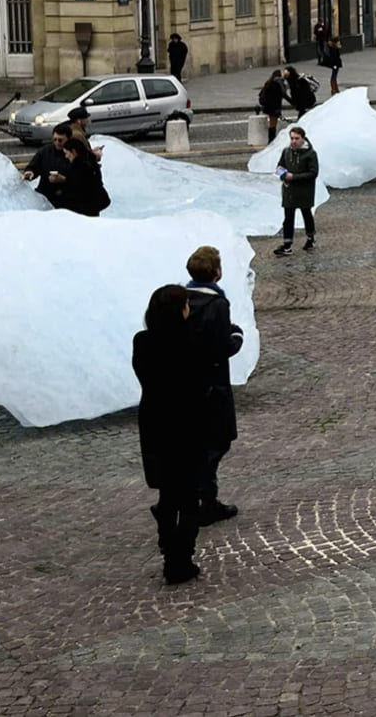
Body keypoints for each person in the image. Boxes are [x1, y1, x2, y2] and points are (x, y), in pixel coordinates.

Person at [133, 283, 209, 584]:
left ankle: (168, 546)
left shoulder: (143, 342)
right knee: (189, 495)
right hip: (187, 424)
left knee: (168, 491)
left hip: (155, 421)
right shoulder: (191, 341)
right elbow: (201, 382)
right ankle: (182, 557)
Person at [182, 246, 244, 527]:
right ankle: (206, 500)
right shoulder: (217, 304)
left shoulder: (183, 299)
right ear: (217, 273)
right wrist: (237, 336)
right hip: (213, 385)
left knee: (198, 441)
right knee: (217, 442)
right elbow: (220, 346)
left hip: (189, 383)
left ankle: (195, 496)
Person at [273, 126, 318, 255]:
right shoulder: (286, 152)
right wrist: (281, 173)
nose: (294, 141)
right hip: (289, 190)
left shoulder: (310, 154)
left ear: (303, 139)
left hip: (304, 191)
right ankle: (287, 245)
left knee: (306, 214)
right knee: (288, 217)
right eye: (292, 138)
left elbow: (313, 173)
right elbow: (280, 165)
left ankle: (310, 238)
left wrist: (294, 177)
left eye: (297, 138)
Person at [21, 123, 79, 207]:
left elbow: (81, 179)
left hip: (66, 200)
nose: (57, 143)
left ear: (69, 139)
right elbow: (34, 165)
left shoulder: (75, 153)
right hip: (45, 196)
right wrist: (30, 172)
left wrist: (64, 179)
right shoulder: (45, 151)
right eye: (55, 139)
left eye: (60, 140)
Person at [56, 135, 110, 216]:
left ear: (73, 152)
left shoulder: (78, 167)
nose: (66, 156)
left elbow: (76, 188)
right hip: (93, 207)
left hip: (83, 209)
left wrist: (64, 181)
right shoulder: (91, 162)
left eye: (67, 153)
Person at [258, 70, 286, 142]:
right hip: (273, 107)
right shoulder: (277, 83)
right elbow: (278, 97)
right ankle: (271, 140)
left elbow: (261, 94)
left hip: (268, 106)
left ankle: (271, 139)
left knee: (272, 123)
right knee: (273, 124)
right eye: (282, 73)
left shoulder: (269, 82)